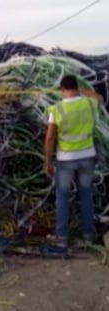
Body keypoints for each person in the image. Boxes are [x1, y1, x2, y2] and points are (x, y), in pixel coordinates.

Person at [44, 74, 104, 248]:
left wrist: (47, 162)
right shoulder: (88, 103)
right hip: (87, 157)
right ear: (76, 88)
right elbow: (99, 97)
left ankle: (62, 238)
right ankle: (87, 236)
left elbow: (49, 139)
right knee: (86, 196)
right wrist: (82, 90)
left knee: (62, 197)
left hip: (66, 160)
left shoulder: (56, 109)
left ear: (62, 90)